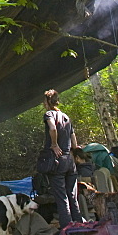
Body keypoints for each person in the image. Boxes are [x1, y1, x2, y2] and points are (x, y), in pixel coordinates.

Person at [42, 89, 83, 226]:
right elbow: (73, 138)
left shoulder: (49, 114)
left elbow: (52, 128)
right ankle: (79, 226)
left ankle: (68, 231)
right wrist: (73, 152)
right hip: (70, 160)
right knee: (73, 196)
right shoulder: (66, 116)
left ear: (47, 101)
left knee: (62, 198)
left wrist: (54, 144)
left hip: (58, 160)